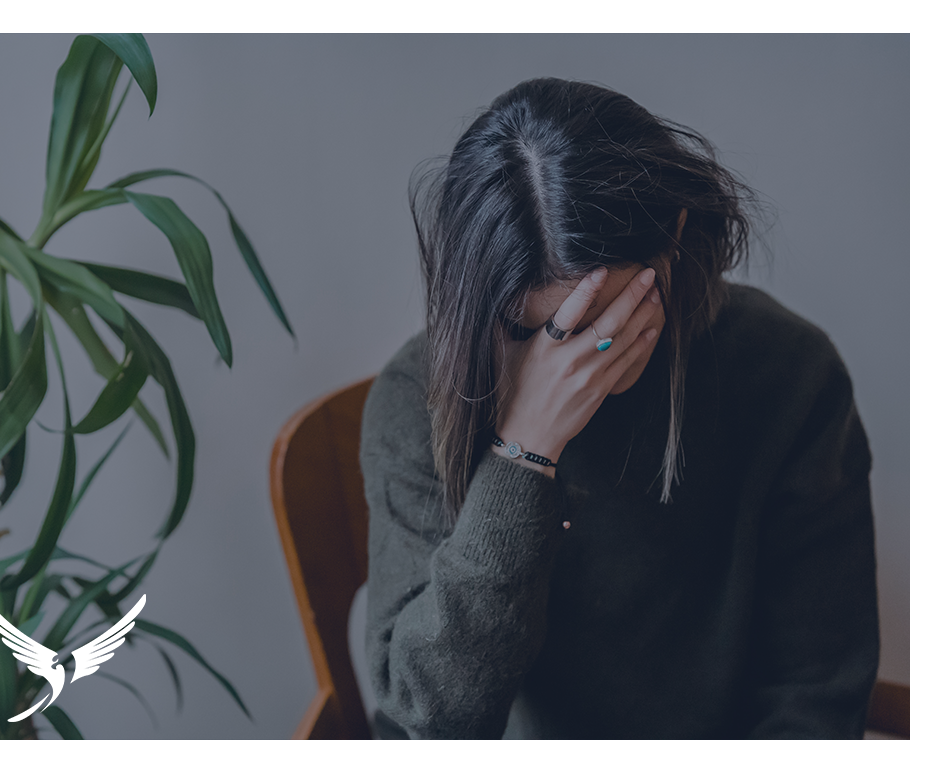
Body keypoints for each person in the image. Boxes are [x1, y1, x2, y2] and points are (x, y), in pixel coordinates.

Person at [360, 78, 878, 739]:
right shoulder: (417, 400)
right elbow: (426, 725)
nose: (576, 364)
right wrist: (523, 455)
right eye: (533, 331)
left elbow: (816, 694)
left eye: (606, 320)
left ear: (676, 236)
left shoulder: (790, 374)